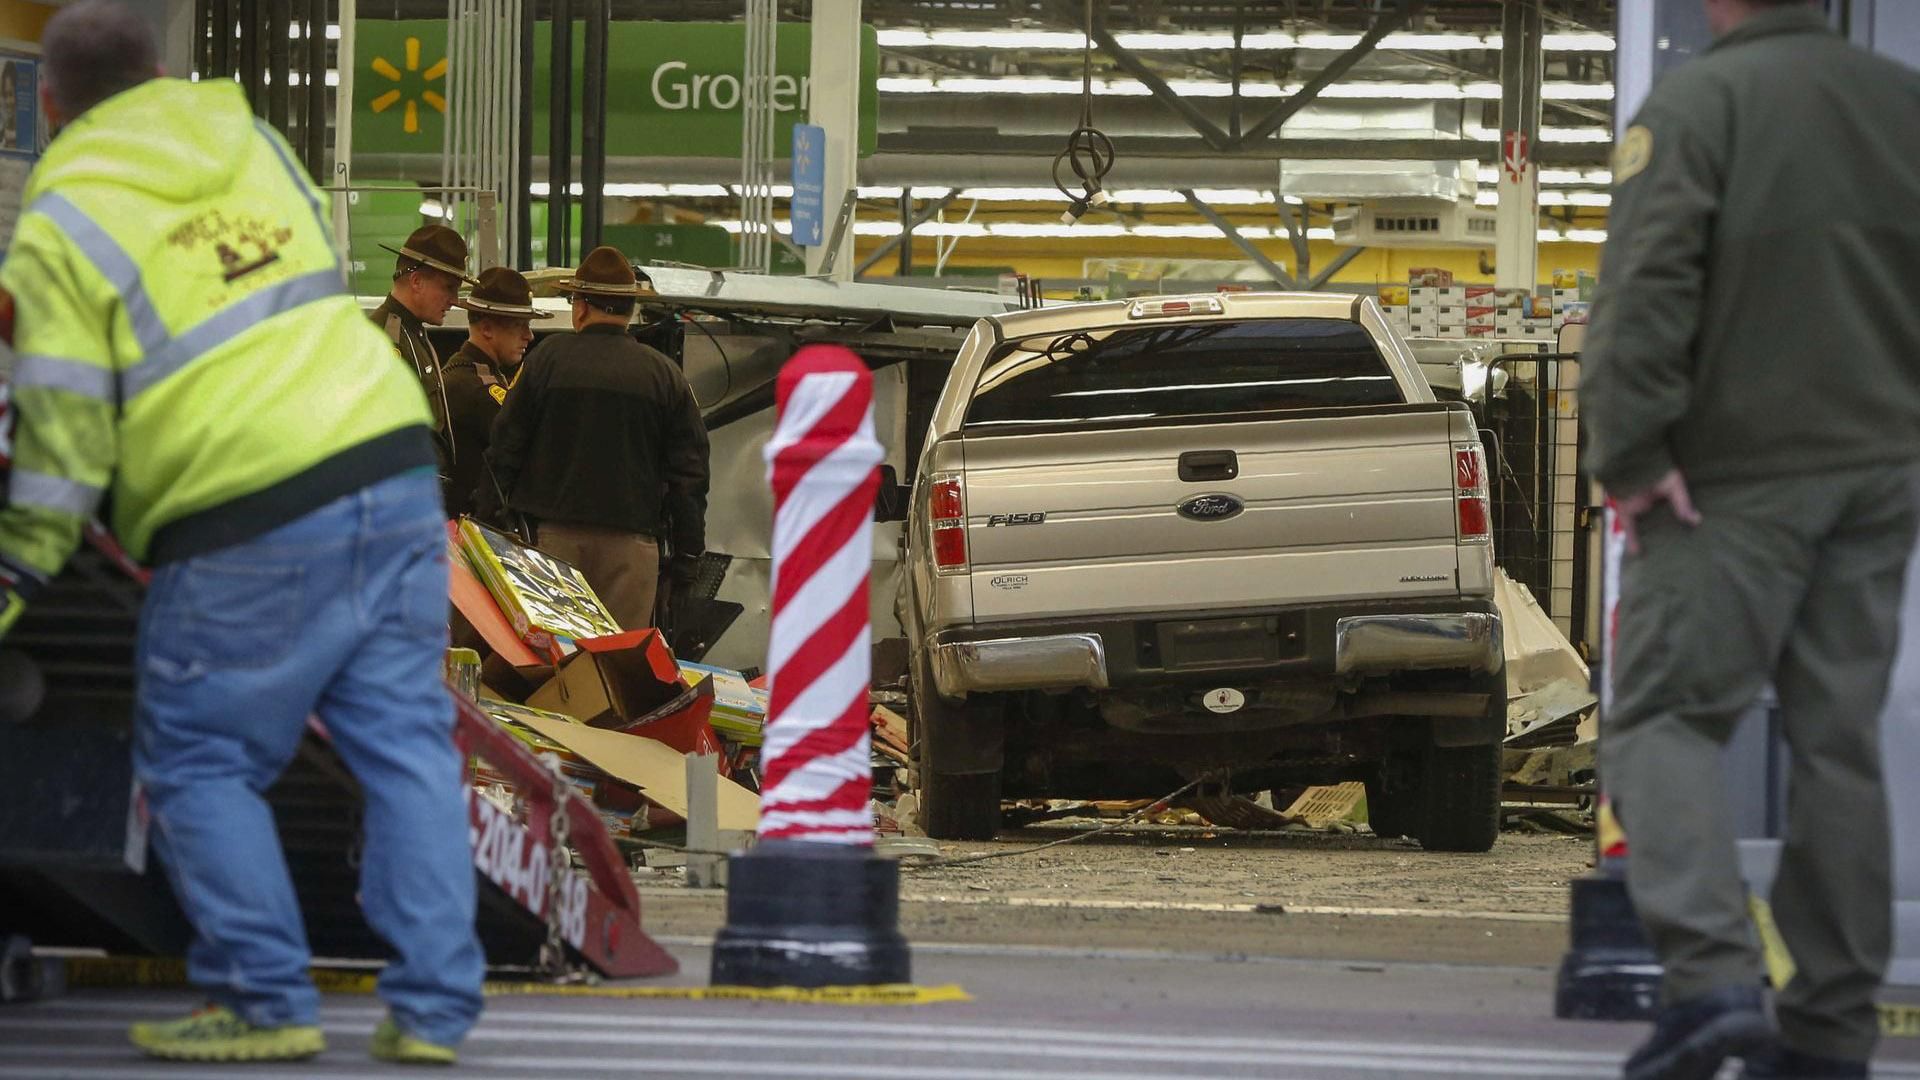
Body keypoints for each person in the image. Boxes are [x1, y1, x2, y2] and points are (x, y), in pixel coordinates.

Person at [0, 0, 483, 1063]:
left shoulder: (61, 215)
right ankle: (435, 1011)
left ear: (47, 101)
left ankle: (266, 1000)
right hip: (392, 466)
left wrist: (16, 572)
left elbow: (66, 440)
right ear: (161, 70)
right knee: (405, 750)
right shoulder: (254, 143)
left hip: (248, 501)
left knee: (201, 754)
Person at [1585, 2, 1920, 1078]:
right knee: (1839, 742)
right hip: (1876, 476)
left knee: (1663, 721)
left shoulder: (1699, 104)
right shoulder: (1901, 105)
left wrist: (1630, 456)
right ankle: (1830, 1029)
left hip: (1725, 487)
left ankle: (1717, 979)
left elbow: (1645, 290)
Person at [486, 245, 709, 630]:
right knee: (619, 666)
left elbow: (505, 448)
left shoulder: (546, 361)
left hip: (554, 545)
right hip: (633, 551)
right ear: (629, 310)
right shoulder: (664, 374)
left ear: (581, 306)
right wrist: (689, 554)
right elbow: (690, 472)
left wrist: (488, 522)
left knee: (556, 662)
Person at [370, 223, 477, 481]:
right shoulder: (387, 339)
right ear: (416, 281)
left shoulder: (410, 332)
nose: (454, 300)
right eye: (448, 287)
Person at [441, 265, 547, 518]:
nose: (529, 336)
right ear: (487, 328)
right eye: (519, 325)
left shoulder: (468, 373)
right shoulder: (478, 389)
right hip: (470, 523)